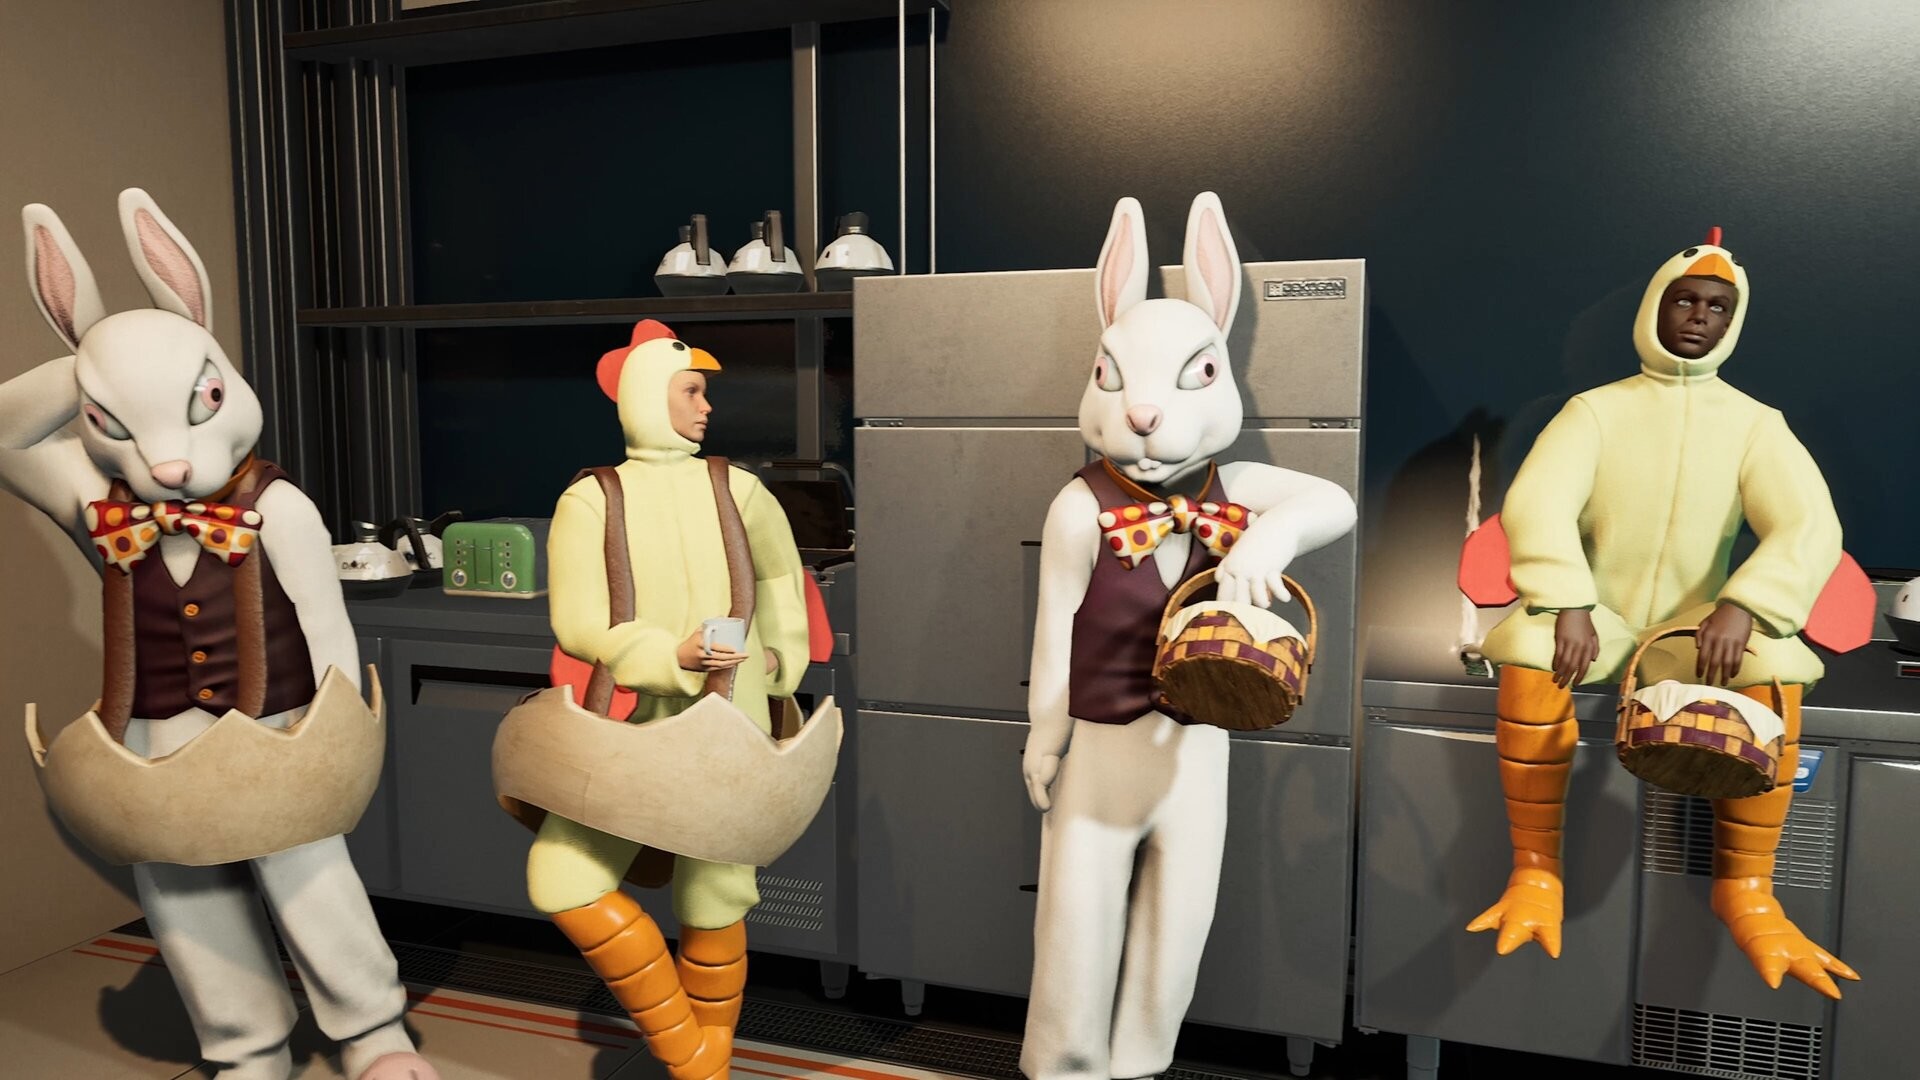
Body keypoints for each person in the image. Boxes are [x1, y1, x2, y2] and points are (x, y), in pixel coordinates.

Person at [1470, 230, 1858, 999]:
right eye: (1685, 300)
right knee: (1529, 651)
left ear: (1733, 323)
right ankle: (1535, 869)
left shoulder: (1755, 424)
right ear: (1655, 306)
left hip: (1694, 634)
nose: (1699, 317)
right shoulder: (1594, 412)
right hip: (1598, 621)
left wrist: (1745, 605)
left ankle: (1747, 888)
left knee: (1777, 668)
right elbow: (1538, 502)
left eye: (1718, 307)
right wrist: (1568, 600)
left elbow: (1809, 525)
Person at [525, 319, 810, 1080]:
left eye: (705, 393)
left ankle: (702, 1067)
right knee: (562, 876)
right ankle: (689, 1048)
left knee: (716, 891)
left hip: (731, 727)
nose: (706, 406)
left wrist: (781, 661)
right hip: (627, 728)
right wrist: (667, 656)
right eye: (691, 391)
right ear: (649, 397)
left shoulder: (739, 488)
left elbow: (782, 579)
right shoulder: (591, 499)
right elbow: (577, 622)